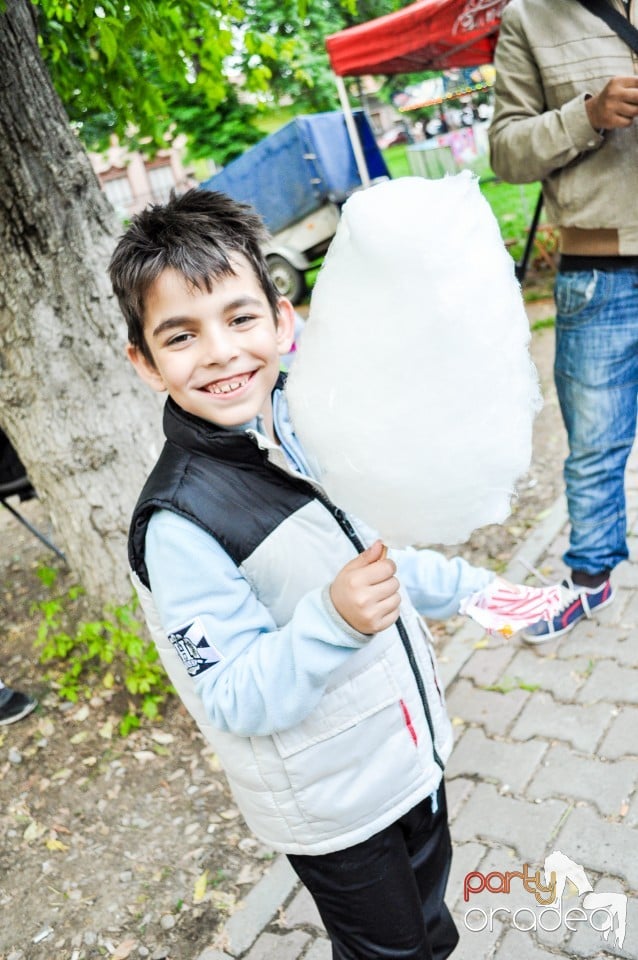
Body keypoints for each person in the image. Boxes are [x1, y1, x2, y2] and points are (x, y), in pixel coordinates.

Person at [109, 187, 501, 960]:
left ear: (283, 319)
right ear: (145, 363)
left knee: (431, 930)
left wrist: (475, 590)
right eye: (181, 335)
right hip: (336, 810)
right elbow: (232, 692)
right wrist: (334, 619)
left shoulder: (310, 426)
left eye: (241, 317)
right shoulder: (180, 523)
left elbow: (371, 562)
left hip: (405, 758)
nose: (221, 351)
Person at [488, 0, 638, 642]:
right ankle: (588, 581)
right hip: (598, 273)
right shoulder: (529, 18)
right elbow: (505, 152)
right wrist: (587, 115)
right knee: (596, 446)